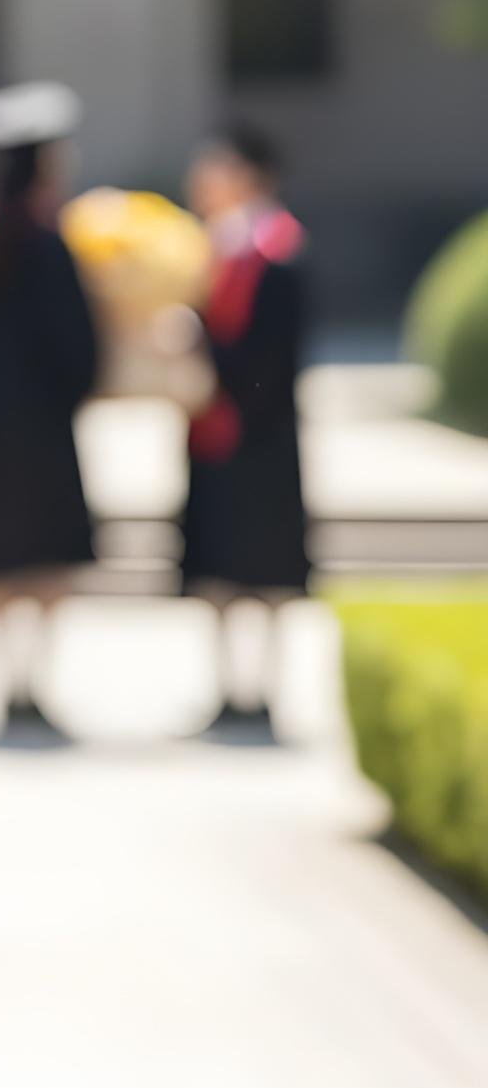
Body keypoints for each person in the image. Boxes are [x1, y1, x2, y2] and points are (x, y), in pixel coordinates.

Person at [0, 83, 99, 740]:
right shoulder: (47, 243)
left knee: (0, 564)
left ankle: (6, 687)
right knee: (46, 564)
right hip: (45, 427)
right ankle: (34, 686)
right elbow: (77, 344)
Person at [180, 121, 310, 737]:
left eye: (217, 166)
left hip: (261, 435)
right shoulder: (208, 248)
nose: (203, 178)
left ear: (248, 176)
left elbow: (274, 356)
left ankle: (267, 692)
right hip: (213, 432)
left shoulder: (277, 251)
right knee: (219, 573)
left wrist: (202, 351)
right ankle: (229, 689)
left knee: (268, 575)